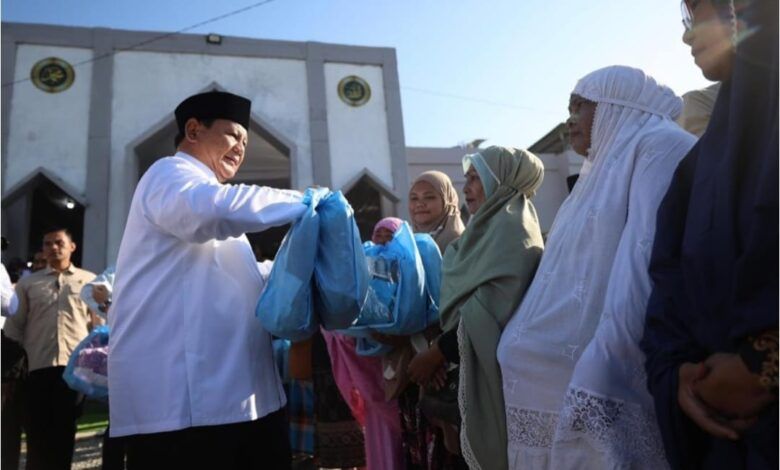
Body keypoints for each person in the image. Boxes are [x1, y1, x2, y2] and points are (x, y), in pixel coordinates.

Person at [496, 65, 696, 469]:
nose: (569, 120)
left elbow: (643, 257)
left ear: (614, 106)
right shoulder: (592, 177)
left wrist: (606, 359)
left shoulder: (659, 144)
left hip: (602, 363)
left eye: (580, 106)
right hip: (549, 371)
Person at [108, 90, 306, 469]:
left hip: (243, 399)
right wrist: (305, 202)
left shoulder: (213, 197)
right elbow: (204, 214)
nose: (240, 148)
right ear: (194, 130)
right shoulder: (169, 175)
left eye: (246, 142)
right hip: (185, 408)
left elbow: (240, 279)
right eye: (234, 135)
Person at [641, 1, 778, 468]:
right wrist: (678, 373)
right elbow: (669, 281)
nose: (686, 36)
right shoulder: (697, 169)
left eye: (697, 14)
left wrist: (765, 363)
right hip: (726, 436)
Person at [409, 146, 545, 469]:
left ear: (499, 181)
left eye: (476, 178)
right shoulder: (480, 232)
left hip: (495, 376)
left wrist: (437, 353)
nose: (466, 187)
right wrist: (439, 354)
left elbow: (494, 308)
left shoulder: (513, 232)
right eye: (465, 179)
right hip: (457, 369)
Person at [388, 171, 466, 470]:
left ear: (447, 200)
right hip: (413, 364)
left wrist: (436, 355)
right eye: (414, 198)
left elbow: (460, 307)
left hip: (448, 365)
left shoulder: (459, 243)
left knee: (451, 454)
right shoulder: (403, 243)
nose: (419, 205)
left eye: (429, 197)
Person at [3, 227, 96, 470]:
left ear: (72, 247)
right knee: (37, 434)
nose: (53, 248)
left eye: (59, 242)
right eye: (47, 244)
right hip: (38, 368)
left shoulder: (89, 281)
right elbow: (15, 328)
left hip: (73, 371)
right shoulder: (28, 284)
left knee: (65, 432)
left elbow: (98, 327)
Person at [323, 217, 406, 470]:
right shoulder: (360, 268)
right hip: (369, 371)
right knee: (380, 443)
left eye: (389, 235)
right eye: (378, 233)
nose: (382, 239)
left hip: (400, 370)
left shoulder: (409, 264)